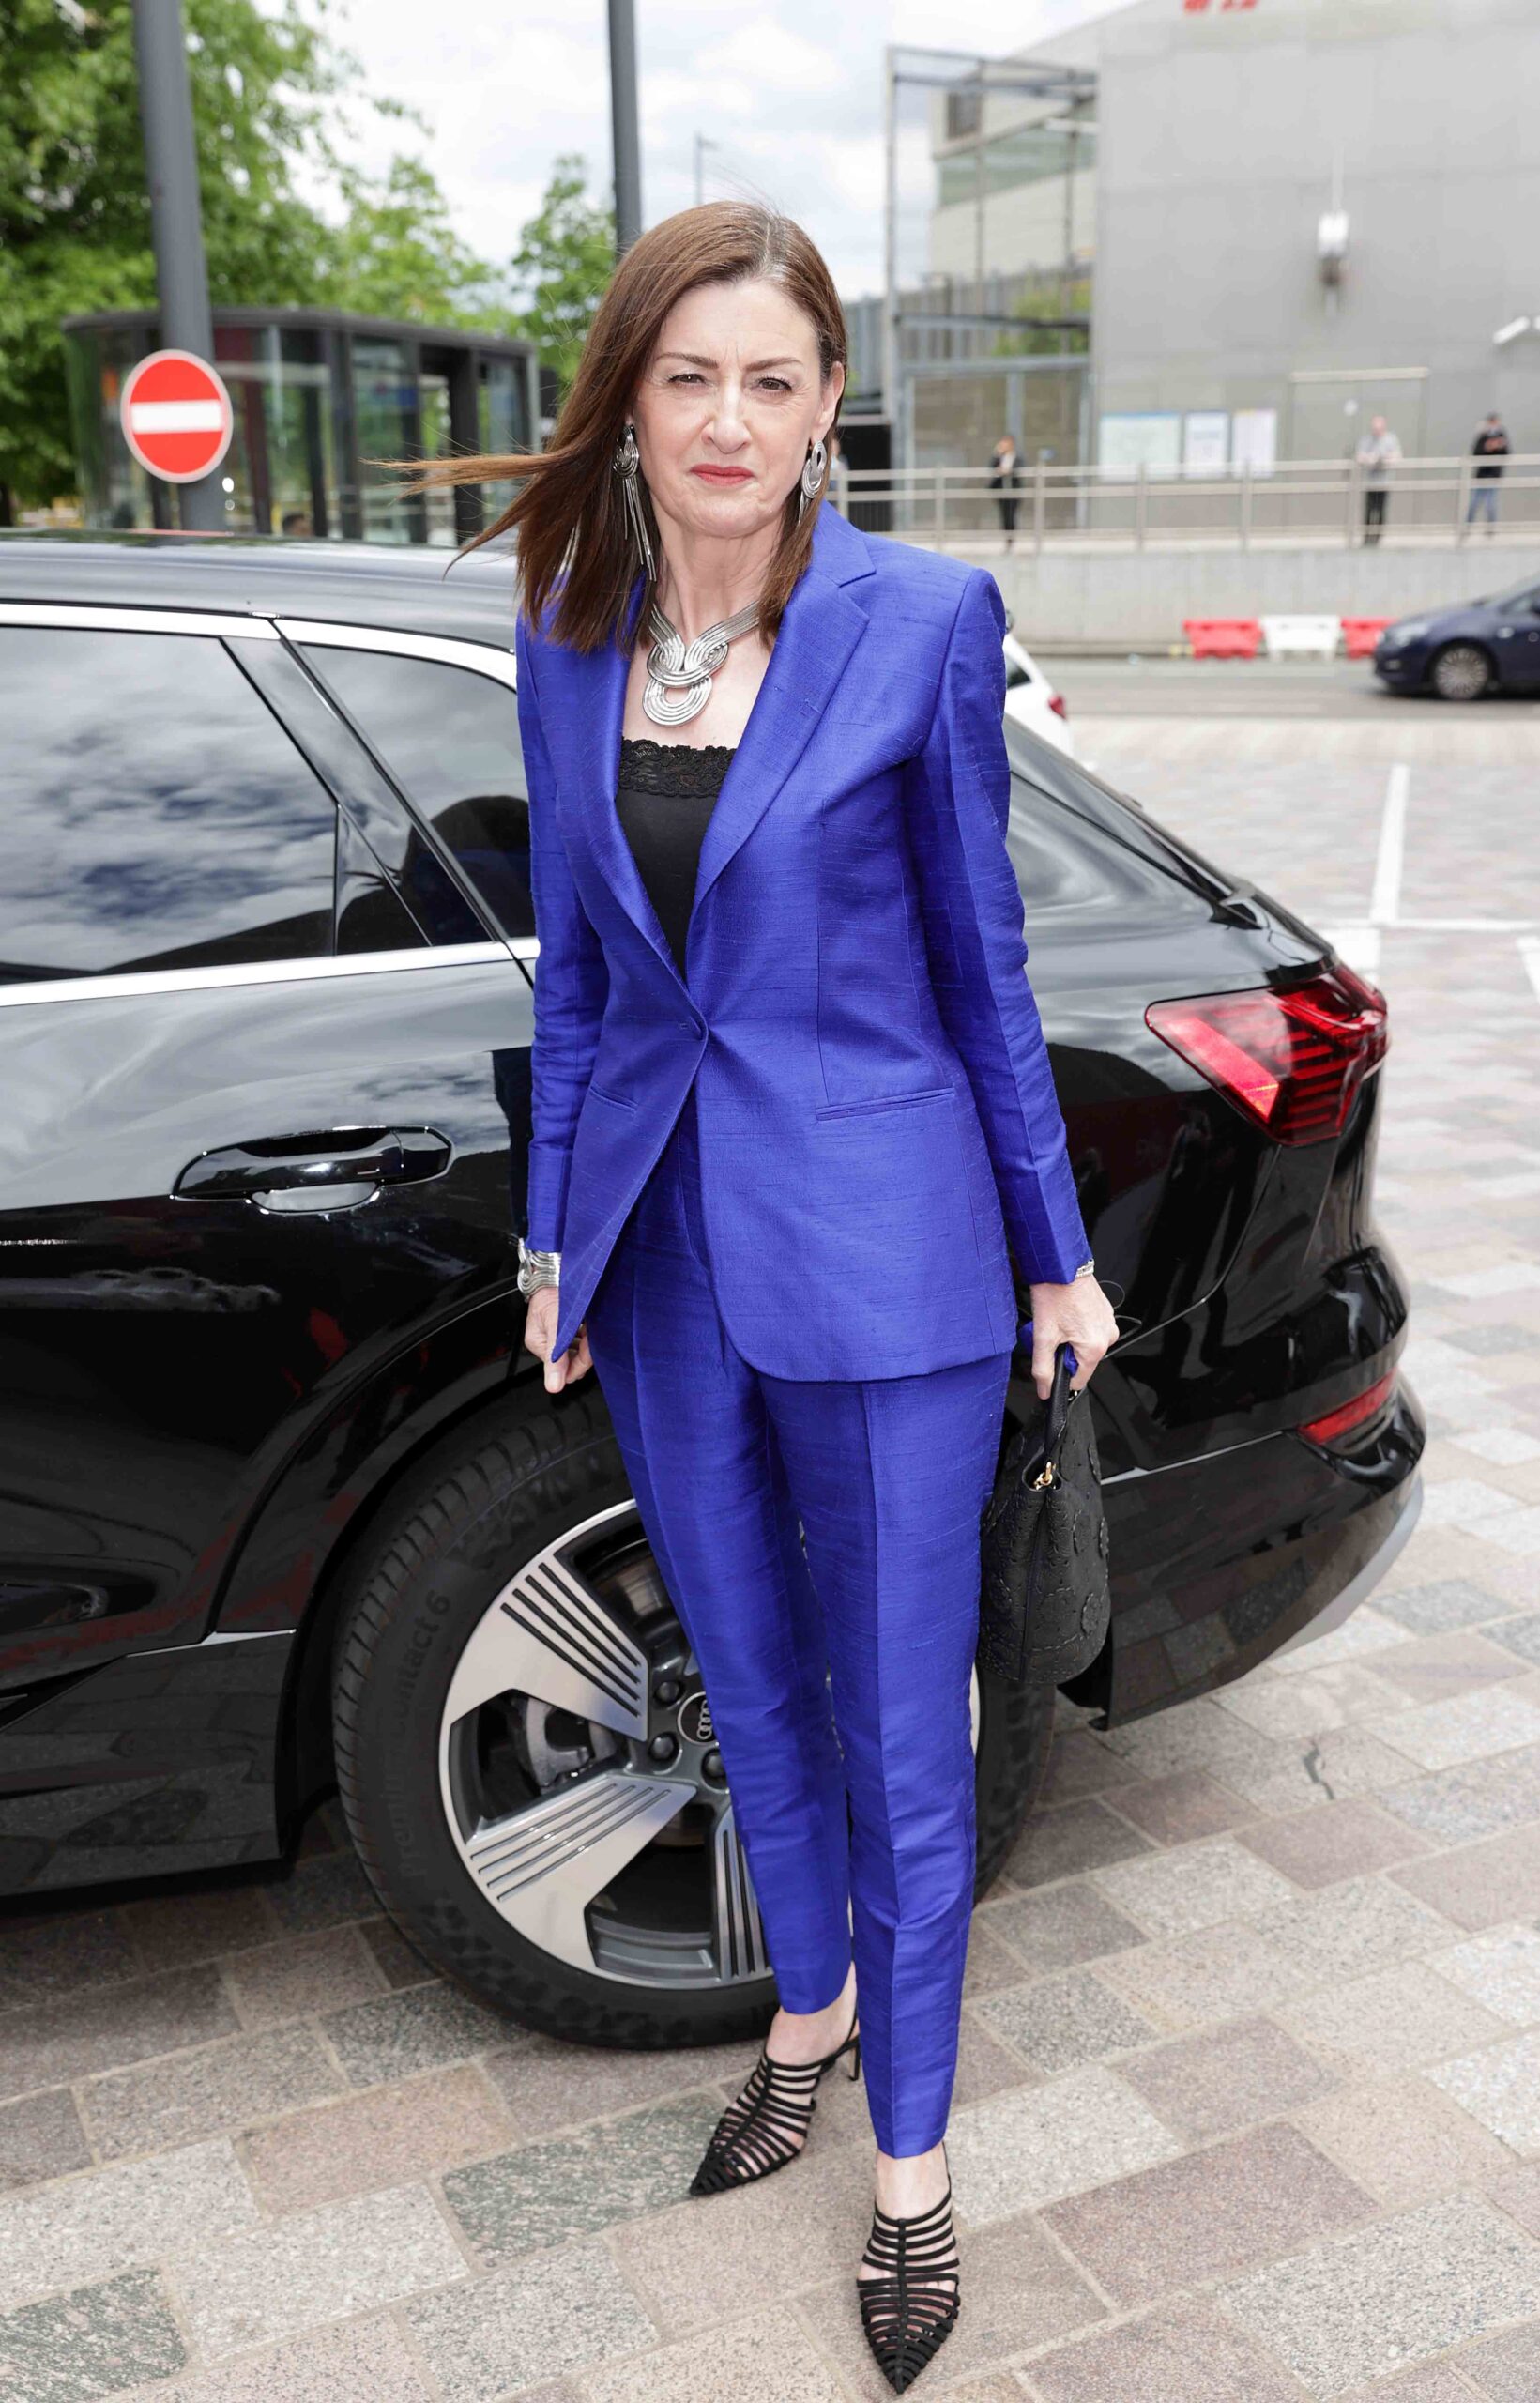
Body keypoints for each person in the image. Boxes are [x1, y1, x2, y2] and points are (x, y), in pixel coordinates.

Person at [396, 202, 1114, 2395]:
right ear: (629, 398)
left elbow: (984, 963)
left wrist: (1053, 1245)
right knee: (741, 1679)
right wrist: (556, 1236)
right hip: (665, 1254)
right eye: (687, 374)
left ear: (825, 410)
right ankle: (805, 2008)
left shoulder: (919, 619)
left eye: (771, 380)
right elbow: (586, 979)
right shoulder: (566, 625)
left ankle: (908, 2161)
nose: (728, 418)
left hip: (888, 1252)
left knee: (900, 1723)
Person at [1356, 415, 1401, 545]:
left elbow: (1397, 456)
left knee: (1381, 509)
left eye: (1379, 428)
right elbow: (1359, 456)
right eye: (1374, 428)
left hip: (1384, 482)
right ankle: (1367, 537)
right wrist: (1370, 459)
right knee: (1369, 510)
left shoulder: (1391, 439)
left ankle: (1377, 537)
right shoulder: (1366, 440)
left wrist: (1385, 459)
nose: (1376, 431)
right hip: (1370, 483)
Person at [1468, 412, 1509, 535]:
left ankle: (1490, 529)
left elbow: (1507, 452)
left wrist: (1499, 446)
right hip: (1481, 475)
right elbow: (1475, 452)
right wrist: (1487, 447)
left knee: (1490, 503)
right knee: (1474, 503)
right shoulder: (1482, 436)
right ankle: (1467, 527)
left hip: (1494, 474)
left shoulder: (1502, 436)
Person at [989, 434, 1020, 547]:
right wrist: (997, 454)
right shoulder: (999, 457)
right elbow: (992, 466)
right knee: (1004, 515)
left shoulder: (1017, 457)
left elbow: (1019, 469)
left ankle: (1011, 539)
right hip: (1001, 490)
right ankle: (1007, 538)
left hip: (1013, 491)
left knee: (1011, 514)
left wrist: (1009, 471)